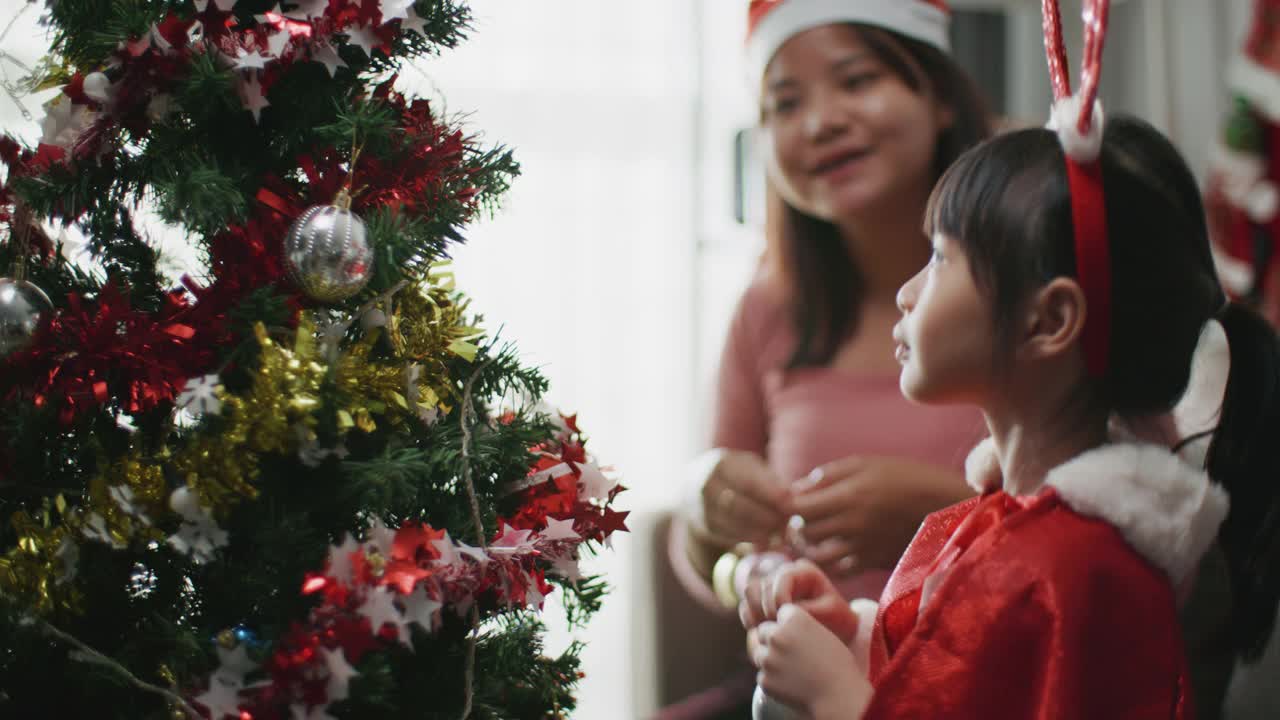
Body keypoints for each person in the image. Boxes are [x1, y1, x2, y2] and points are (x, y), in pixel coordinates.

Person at [741, 110, 1280, 718]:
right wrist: (856, 638)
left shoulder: (1069, 569)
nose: (908, 293)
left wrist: (834, 697)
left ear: (1048, 321)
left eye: (942, 259)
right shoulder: (1017, 528)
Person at [662, 1, 992, 716]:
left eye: (856, 80)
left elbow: (1109, 545)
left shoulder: (1029, 292)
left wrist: (936, 513)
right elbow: (702, 560)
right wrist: (707, 505)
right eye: (786, 102)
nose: (820, 122)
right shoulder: (766, 307)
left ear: (937, 96)